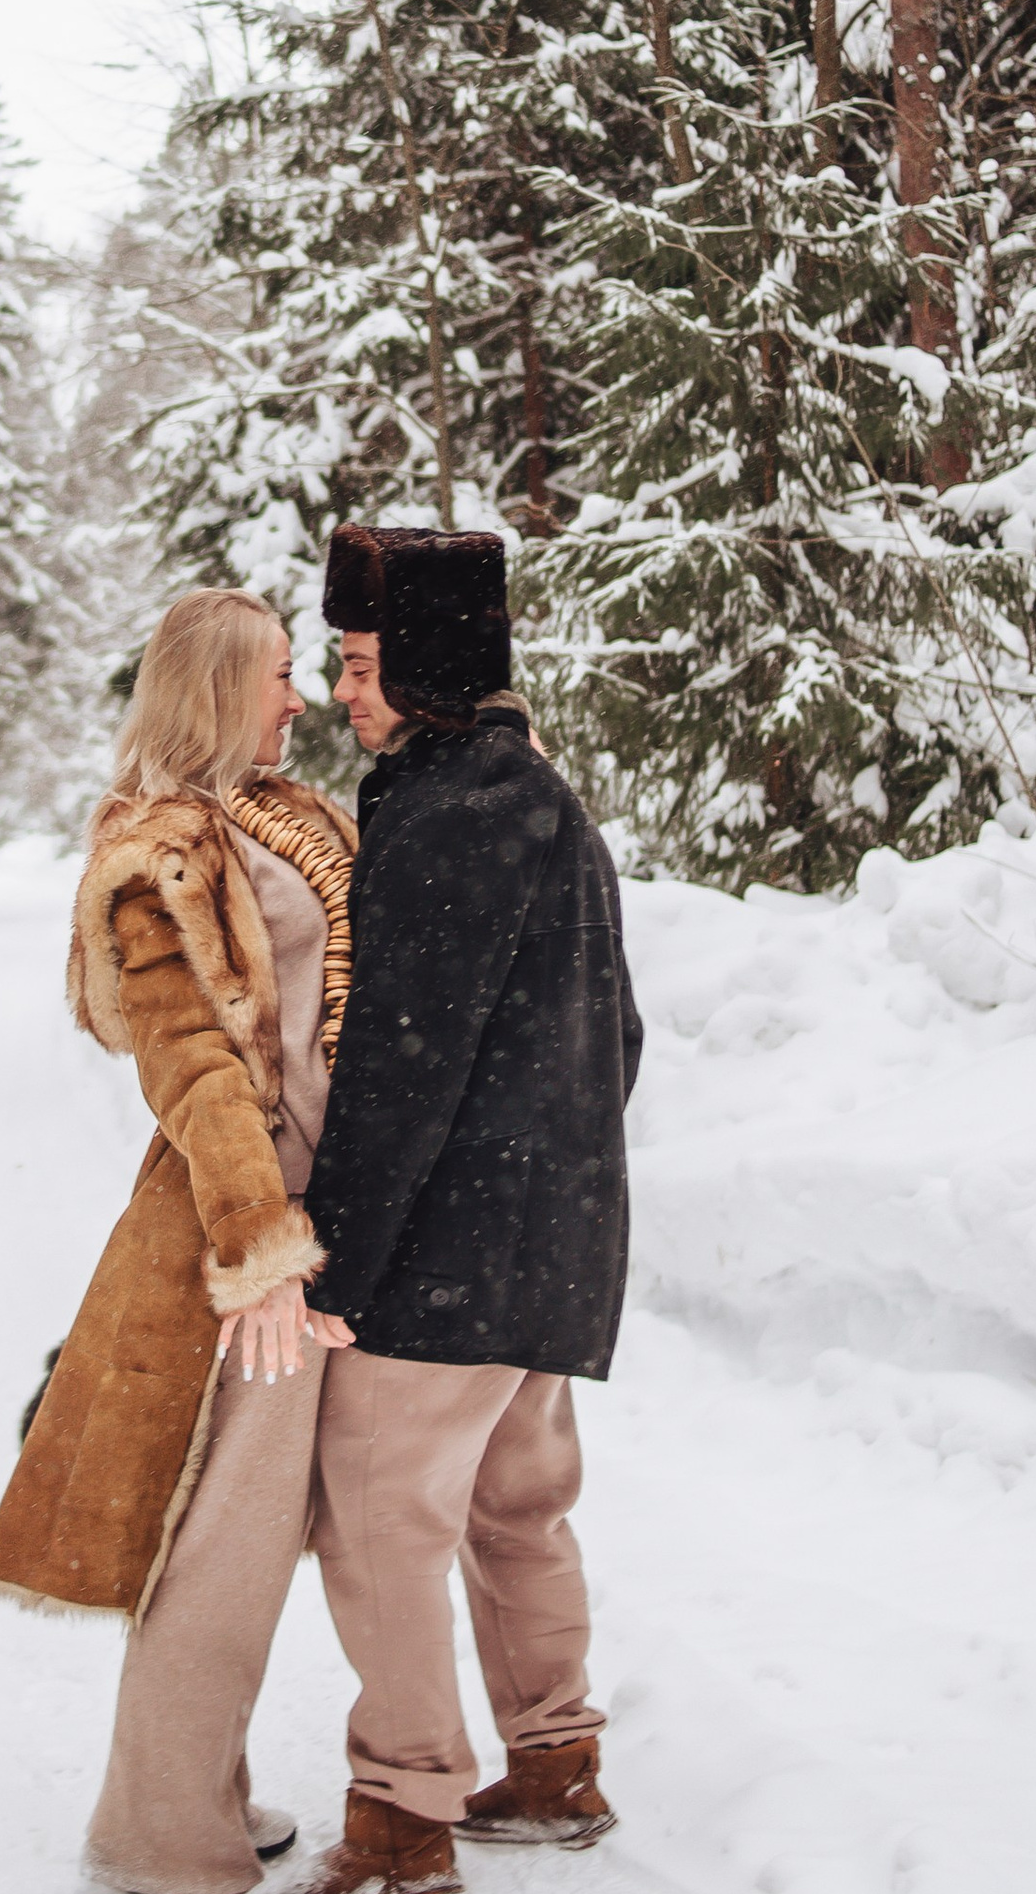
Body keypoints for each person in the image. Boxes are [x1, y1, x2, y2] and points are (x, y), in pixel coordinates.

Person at [0, 587, 361, 1894]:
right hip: (249, 1222)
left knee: (264, 1527)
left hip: (319, 1204)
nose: (297, 700)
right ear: (214, 688)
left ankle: (200, 1793)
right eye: (279, 676)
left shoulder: (271, 814)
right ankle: (158, 1833)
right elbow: (190, 1060)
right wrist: (262, 1246)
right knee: (227, 1539)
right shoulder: (157, 849)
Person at [292, 525, 644, 1894]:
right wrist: (555, 1181)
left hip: (446, 1265)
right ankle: (553, 1763)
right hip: (549, 1251)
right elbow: (618, 1035)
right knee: (518, 1510)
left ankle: (401, 1821)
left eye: (363, 664)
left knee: (381, 1523)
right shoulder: (547, 800)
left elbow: (397, 1077)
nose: (342, 694)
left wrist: (333, 1266)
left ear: (431, 665)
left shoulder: (444, 819)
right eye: (334, 663)